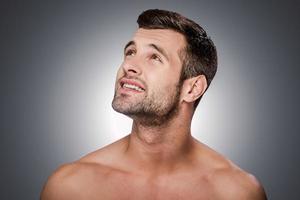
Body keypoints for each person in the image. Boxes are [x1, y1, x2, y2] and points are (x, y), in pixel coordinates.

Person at [41, 9, 267, 200]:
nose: (129, 65)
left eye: (154, 57)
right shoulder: (71, 187)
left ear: (193, 88)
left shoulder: (236, 192)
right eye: (131, 52)